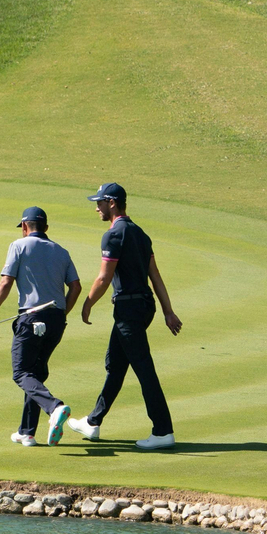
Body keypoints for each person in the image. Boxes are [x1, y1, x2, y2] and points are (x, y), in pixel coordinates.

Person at [67, 183, 183, 450]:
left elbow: (104, 277)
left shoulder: (113, 235)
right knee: (116, 366)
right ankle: (93, 422)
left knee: (144, 369)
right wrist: (167, 311)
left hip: (129, 310)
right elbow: (155, 277)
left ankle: (163, 431)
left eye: (100, 202)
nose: (96, 207)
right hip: (143, 307)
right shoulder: (140, 234)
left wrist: (87, 303)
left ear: (112, 202)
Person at [0, 206, 82, 447]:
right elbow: (76, 287)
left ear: (25, 227)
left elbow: (6, 282)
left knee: (21, 373)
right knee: (34, 373)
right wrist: (60, 314)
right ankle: (27, 432)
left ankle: (54, 407)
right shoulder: (62, 251)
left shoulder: (18, 245)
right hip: (57, 320)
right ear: (45, 228)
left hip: (31, 318)